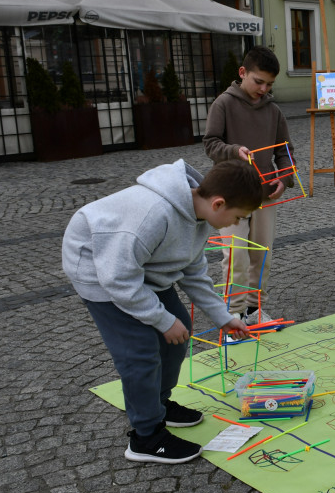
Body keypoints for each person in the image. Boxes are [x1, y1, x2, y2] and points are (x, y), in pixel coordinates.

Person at [62, 159, 257, 463]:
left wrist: (224, 318)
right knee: (140, 352)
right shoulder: (152, 215)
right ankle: (146, 437)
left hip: (142, 272)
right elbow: (117, 278)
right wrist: (162, 320)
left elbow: (193, 273)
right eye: (237, 217)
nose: (235, 224)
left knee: (178, 334)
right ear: (219, 203)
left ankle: (159, 405)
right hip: (100, 273)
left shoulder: (201, 218)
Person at [204, 46, 294, 325]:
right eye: (259, 81)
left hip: (265, 194)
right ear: (242, 73)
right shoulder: (223, 104)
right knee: (236, 254)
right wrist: (234, 151)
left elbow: (285, 149)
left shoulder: (274, 110)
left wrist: (285, 176)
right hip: (231, 195)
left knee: (261, 253)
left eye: (269, 84)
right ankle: (234, 313)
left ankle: (255, 310)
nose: (264, 88)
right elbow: (211, 144)